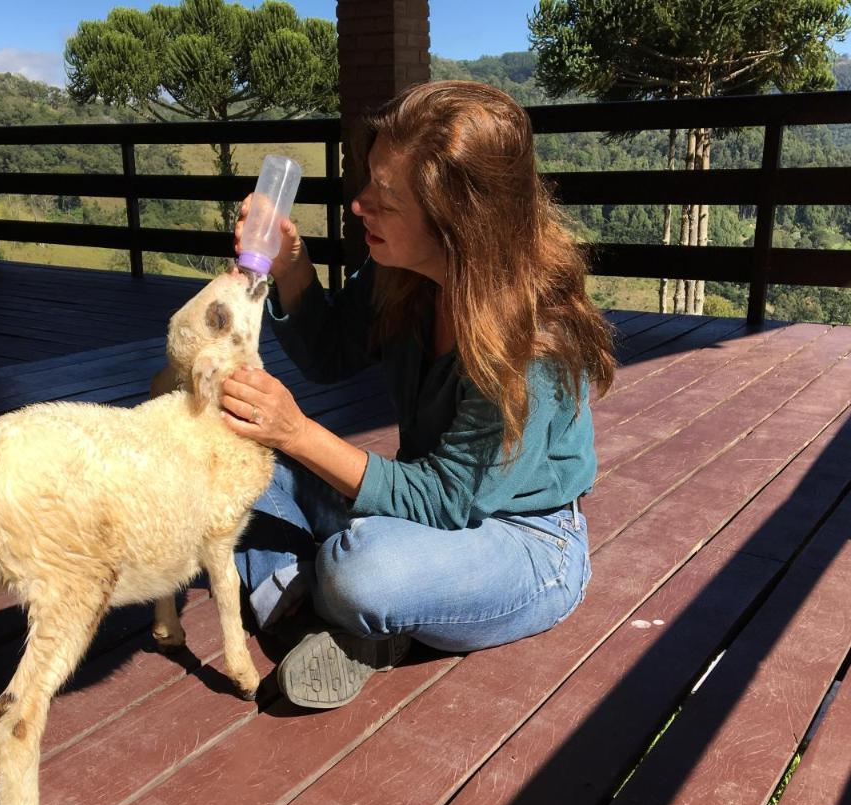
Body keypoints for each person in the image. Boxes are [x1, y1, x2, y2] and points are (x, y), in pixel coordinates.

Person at [218, 80, 616, 710]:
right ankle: (333, 623)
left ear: (458, 220)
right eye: (369, 181)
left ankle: (310, 597)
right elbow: (330, 354)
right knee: (228, 459)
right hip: (414, 506)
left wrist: (294, 432)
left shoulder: (534, 334)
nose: (359, 204)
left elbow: (450, 498)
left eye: (386, 197)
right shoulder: (401, 274)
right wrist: (293, 269)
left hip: (521, 542)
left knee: (365, 568)